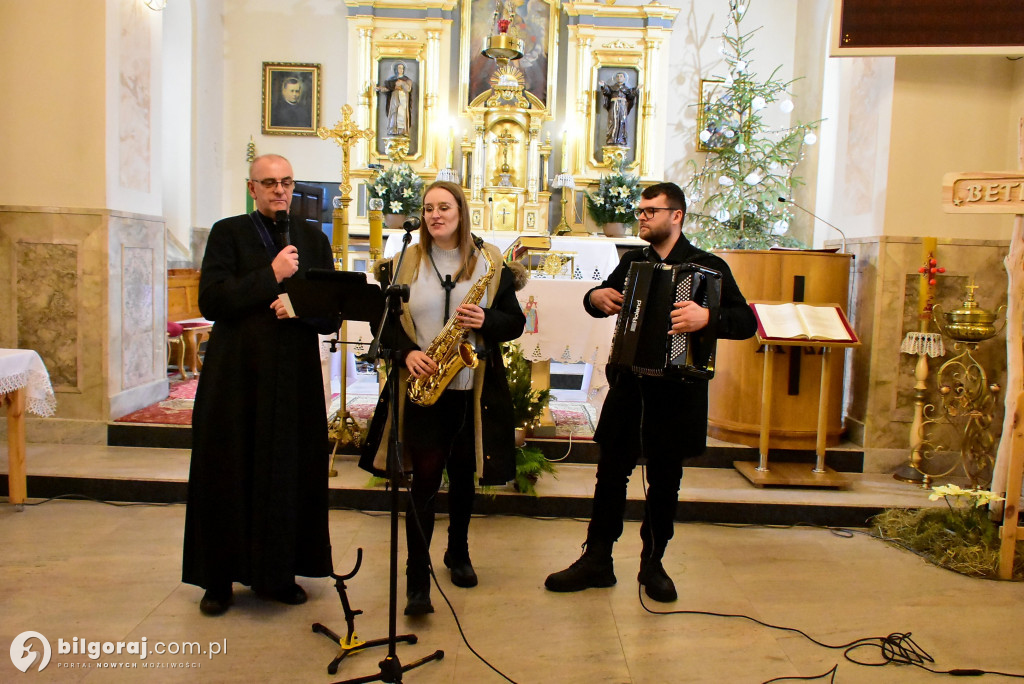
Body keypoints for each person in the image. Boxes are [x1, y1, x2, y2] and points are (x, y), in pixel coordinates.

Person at [545, 182, 757, 602]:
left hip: (677, 391)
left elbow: (746, 321)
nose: (641, 218)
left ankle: (653, 564)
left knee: (665, 480)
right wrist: (595, 296)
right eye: (640, 211)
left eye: (650, 211)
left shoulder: (707, 266)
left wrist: (707, 318)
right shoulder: (633, 263)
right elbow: (597, 300)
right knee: (610, 474)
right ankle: (597, 560)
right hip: (629, 384)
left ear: (676, 216)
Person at [359, 180, 527, 616]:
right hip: (424, 389)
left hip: (472, 387)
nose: (435, 215)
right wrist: (406, 353)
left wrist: (485, 318)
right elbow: (383, 325)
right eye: (429, 208)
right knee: (425, 481)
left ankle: (458, 551)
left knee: (464, 473)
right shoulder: (404, 262)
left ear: (461, 212)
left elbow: (514, 323)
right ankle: (417, 576)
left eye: (444, 207)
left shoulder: (490, 262)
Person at [182, 154, 337, 616]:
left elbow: (330, 313)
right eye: (269, 183)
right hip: (236, 376)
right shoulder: (228, 233)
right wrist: (271, 276)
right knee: (227, 469)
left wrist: (299, 308)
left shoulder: (312, 238)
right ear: (252, 188)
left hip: (293, 380)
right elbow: (212, 301)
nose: (279, 190)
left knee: (287, 472)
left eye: (286, 182)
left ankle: (279, 574)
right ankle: (218, 579)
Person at [598, 71, 638, 147]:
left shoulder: (626, 89)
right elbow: (607, 91)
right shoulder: (613, 88)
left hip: (622, 106)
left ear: (624, 78)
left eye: (621, 76)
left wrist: (637, 89)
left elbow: (631, 95)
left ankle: (622, 139)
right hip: (613, 105)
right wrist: (604, 85)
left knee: (622, 121)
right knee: (612, 121)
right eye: (618, 76)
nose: (619, 78)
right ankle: (611, 139)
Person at [377, 62, 414, 137]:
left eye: (402, 68)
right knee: (394, 112)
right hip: (394, 97)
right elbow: (388, 88)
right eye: (399, 68)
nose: (401, 70)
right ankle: (393, 129)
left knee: (402, 113)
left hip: (403, 98)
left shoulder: (407, 80)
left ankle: (402, 130)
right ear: (396, 69)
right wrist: (379, 89)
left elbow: (408, 89)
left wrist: (402, 83)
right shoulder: (392, 80)